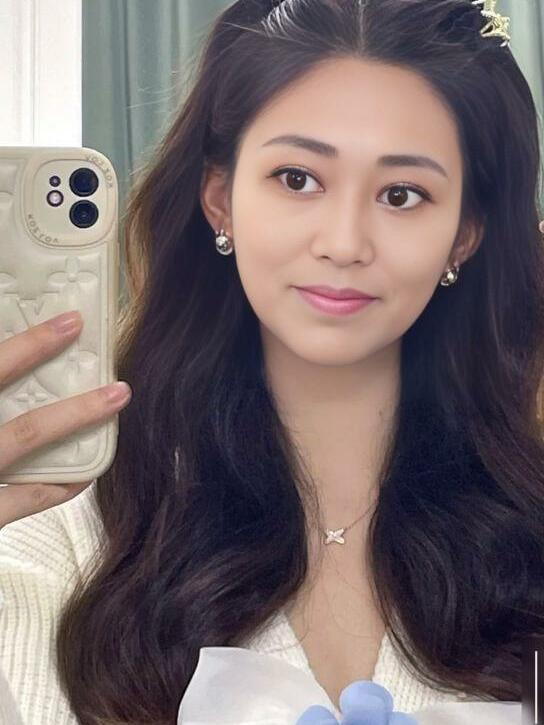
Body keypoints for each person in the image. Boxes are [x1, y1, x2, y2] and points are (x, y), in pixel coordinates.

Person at [1, 0, 544, 723]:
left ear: (464, 235)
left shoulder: (526, 527)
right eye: (297, 179)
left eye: (401, 194)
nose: (343, 243)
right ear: (220, 199)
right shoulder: (71, 536)